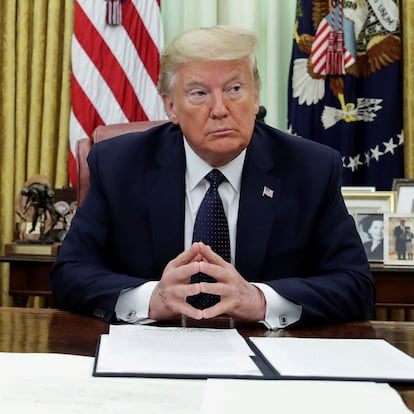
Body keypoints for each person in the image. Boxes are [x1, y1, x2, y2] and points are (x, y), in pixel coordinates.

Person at [50, 26, 374, 328]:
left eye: (235, 89)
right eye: (199, 94)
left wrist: (260, 301)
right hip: (153, 357)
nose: (220, 109)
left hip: (266, 363)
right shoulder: (119, 165)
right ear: (171, 106)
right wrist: (152, 299)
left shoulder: (310, 169)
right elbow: (69, 275)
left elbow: (355, 286)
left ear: (256, 95)